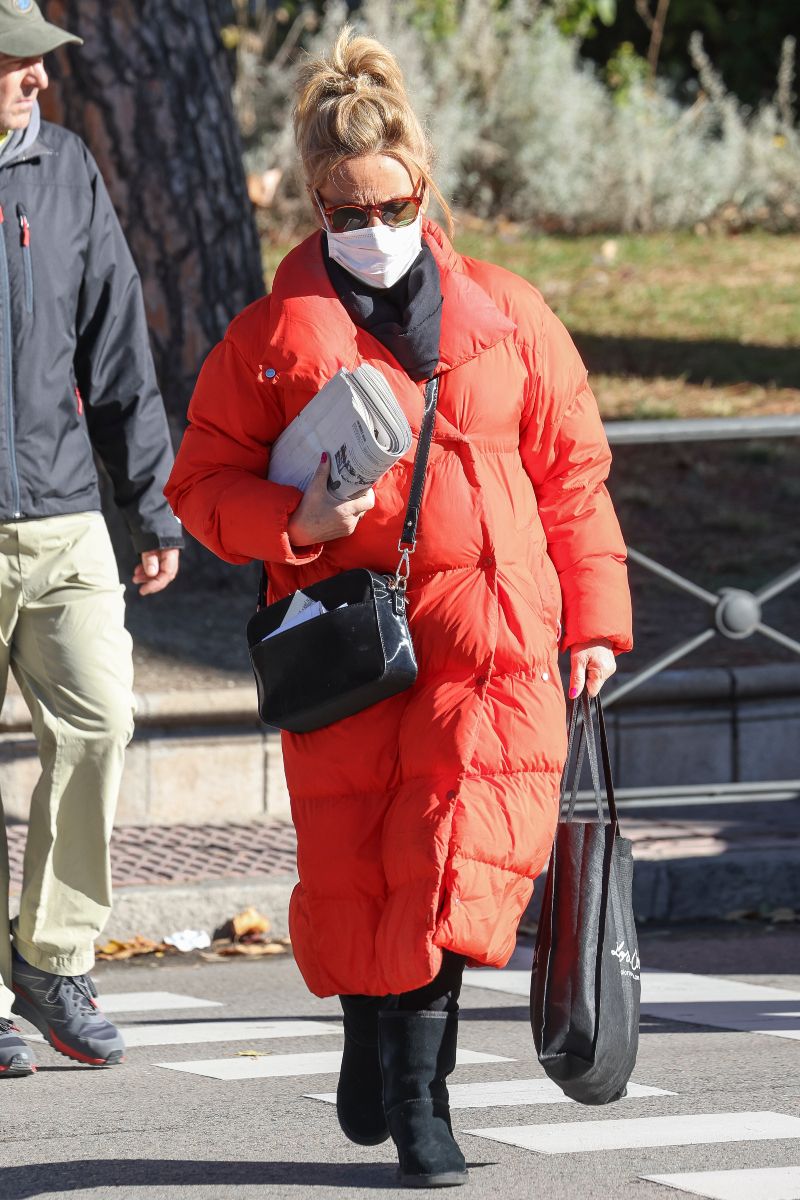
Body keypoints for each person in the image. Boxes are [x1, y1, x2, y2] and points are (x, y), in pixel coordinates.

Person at [166, 28, 632, 1188]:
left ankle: (424, 1103)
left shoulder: (508, 311)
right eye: (343, 208)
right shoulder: (271, 338)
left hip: (490, 645)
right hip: (351, 645)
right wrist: (295, 526)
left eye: (391, 201)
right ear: (317, 204)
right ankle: (369, 1042)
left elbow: (570, 475)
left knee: (452, 868)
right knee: (362, 870)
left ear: (422, 188)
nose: (371, 226)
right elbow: (200, 484)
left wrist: (593, 622)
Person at [0, 0, 182, 1076]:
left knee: (100, 722)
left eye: (39, 63)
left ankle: (52, 956)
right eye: (18, 63)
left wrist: (147, 499)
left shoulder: (64, 168)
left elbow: (115, 338)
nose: (39, 80)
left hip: (65, 516)